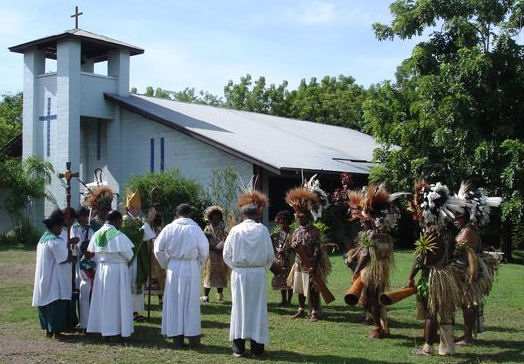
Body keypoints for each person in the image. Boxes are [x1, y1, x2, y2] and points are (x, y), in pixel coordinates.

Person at [406, 181, 465, 356]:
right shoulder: (449, 232)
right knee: (446, 312)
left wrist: (411, 276)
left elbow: (420, 259)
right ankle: (447, 349)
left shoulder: (430, 232)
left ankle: (428, 347)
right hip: (447, 275)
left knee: (431, 312)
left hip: (433, 276)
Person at [223, 190, 274, 358]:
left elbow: (226, 255)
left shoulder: (235, 231)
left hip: (240, 273)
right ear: (257, 214)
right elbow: (270, 256)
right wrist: (262, 269)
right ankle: (257, 349)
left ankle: (238, 348)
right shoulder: (263, 230)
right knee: (257, 309)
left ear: (242, 215)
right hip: (257, 274)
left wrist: (237, 267)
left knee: (239, 308)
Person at [345, 185, 400, 338]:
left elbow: (366, 255)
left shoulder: (373, 235)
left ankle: (377, 328)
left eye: (367, 213)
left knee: (373, 299)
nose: (364, 216)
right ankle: (383, 327)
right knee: (379, 298)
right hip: (383, 270)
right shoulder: (386, 236)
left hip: (371, 271)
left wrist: (357, 271)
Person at [154, 203, 209, 349]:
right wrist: (198, 263)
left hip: (174, 266)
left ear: (177, 214)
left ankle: (177, 339)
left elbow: (158, 249)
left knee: (174, 301)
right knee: (191, 302)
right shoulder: (195, 228)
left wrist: (166, 263)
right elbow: (204, 250)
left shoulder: (169, 228)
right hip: (190, 265)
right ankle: (193, 339)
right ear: (189, 213)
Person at [453, 181, 501, 346]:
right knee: (467, 304)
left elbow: (461, 253)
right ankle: (467, 336)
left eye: (458, 216)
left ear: (466, 215)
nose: (455, 220)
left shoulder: (468, 231)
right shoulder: (468, 229)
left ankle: (467, 337)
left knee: (468, 304)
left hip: (469, 274)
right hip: (467, 273)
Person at [87, 210, 134, 341]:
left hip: (102, 269)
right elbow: (129, 255)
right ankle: (117, 330)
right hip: (117, 270)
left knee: (104, 300)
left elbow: (94, 252)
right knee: (117, 300)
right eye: (120, 222)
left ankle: (105, 330)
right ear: (117, 221)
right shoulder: (118, 235)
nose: (121, 224)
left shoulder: (96, 234)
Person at [285, 186, 331, 322]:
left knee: (313, 288)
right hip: (299, 263)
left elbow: (318, 248)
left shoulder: (314, 231)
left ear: (308, 217)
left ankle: (315, 312)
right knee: (299, 287)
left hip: (311, 263)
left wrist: (314, 264)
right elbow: (292, 246)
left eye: (303, 217)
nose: (300, 220)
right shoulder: (296, 231)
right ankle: (301, 309)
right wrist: (293, 246)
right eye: (298, 217)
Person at [32, 209, 75, 338]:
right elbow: (63, 257)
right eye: (60, 227)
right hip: (55, 277)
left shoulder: (42, 240)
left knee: (46, 301)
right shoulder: (55, 241)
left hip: (45, 275)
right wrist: (72, 257)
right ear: (55, 227)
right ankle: (56, 330)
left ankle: (48, 329)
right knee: (56, 301)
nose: (61, 230)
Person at [120, 189, 156, 322]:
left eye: (139, 208)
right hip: (131, 258)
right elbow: (135, 235)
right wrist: (147, 221)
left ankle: (134, 311)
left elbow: (147, 234)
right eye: (136, 208)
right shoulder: (125, 221)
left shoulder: (136, 220)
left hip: (138, 258)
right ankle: (128, 311)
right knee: (130, 284)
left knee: (136, 284)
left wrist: (148, 222)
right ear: (129, 207)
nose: (138, 211)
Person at [70, 206, 95, 332]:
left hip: (86, 262)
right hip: (76, 261)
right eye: (83, 216)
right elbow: (74, 243)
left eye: (87, 216)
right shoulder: (74, 228)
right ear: (78, 217)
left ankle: (87, 320)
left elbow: (92, 244)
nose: (85, 219)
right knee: (77, 291)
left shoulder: (90, 230)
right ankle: (79, 320)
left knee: (86, 291)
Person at [201, 206, 229, 303]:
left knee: (220, 274)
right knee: (209, 274)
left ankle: (220, 295)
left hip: (221, 254)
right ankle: (205, 296)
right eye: (214, 218)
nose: (216, 220)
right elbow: (205, 241)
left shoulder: (224, 227)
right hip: (211, 255)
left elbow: (227, 238)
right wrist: (213, 247)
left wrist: (222, 246)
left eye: (217, 218)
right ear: (210, 218)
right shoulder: (207, 229)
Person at [270, 210, 294, 307]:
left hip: (290, 259)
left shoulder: (293, 232)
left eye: (284, 222)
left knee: (290, 280)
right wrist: (277, 250)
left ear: (288, 222)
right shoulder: (277, 232)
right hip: (280, 259)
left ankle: (289, 300)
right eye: (280, 222)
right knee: (282, 280)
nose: (282, 224)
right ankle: (283, 300)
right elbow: (274, 243)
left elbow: (295, 245)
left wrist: (287, 250)